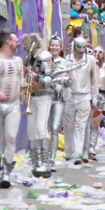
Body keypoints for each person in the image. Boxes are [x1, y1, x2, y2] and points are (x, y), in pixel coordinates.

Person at [0, 29, 23, 188]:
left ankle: (6, 172)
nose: (17, 43)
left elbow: (20, 80)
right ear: (8, 42)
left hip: (13, 104)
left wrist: (24, 87)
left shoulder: (19, 61)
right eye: (15, 40)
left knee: (11, 136)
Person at [61, 36, 100, 165]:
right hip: (70, 96)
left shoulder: (90, 60)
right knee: (68, 125)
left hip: (84, 95)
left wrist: (94, 98)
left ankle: (78, 153)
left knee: (81, 125)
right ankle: (69, 153)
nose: (80, 53)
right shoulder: (67, 60)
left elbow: (94, 80)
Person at [22, 34, 53, 178]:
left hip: (43, 96)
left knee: (41, 127)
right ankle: (35, 161)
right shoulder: (30, 58)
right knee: (31, 129)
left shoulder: (43, 56)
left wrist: (33, 75)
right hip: (32, 96)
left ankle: (46, 162)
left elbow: (48, 79)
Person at [45, 36, 68, 170]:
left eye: (57, 45)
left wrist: (66, 80)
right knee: (42, 128)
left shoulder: (65, 63)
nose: (54, 47)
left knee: (54, 128)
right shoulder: (42, 60)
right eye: (52, 45)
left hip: (59, 97)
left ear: (60, 48)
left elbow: (71, 81)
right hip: (44, 97)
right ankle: (41, 157)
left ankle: (51, 158)